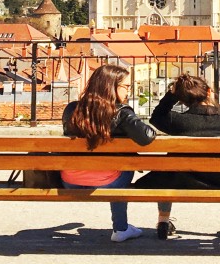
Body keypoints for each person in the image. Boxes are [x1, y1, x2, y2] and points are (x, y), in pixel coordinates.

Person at [137, 73, 220, 240]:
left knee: (167, 171)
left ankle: (163, 222)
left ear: (183, 100)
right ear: (209, 92)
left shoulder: (179, 122)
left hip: (183, 180)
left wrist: (172, 95)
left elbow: (156, 117)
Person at [61, 63, 157, 242]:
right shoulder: (121, 113)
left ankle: (122, 228)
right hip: (109, 183)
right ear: (112, 87)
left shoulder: (71, 110)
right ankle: (121, 229)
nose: (129, 91)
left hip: (70, 181)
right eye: (127, 87)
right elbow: (146, 136)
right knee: (125, 167)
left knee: (118, 165)